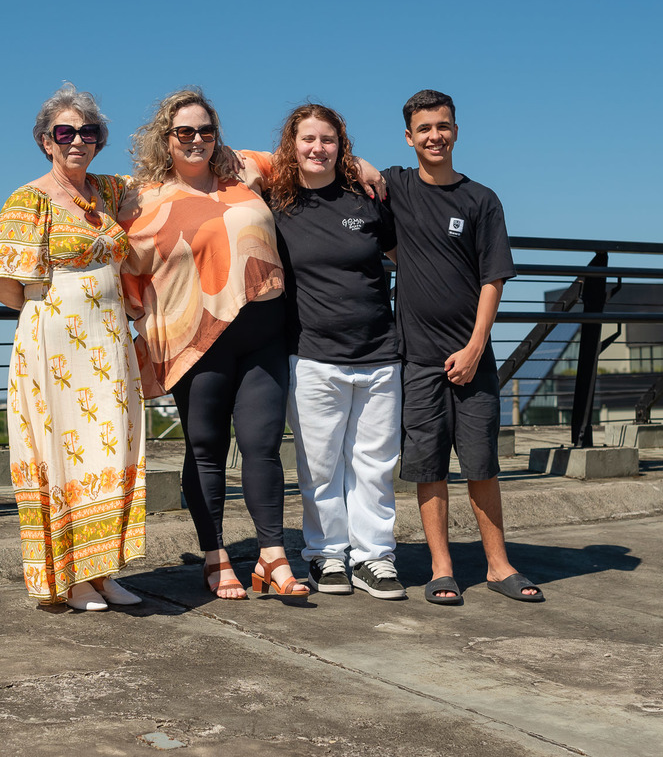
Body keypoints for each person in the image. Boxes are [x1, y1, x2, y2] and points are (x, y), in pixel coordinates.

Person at [120, 88, 308, 599]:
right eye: (185, 132)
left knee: (262, 445)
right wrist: (144, 316)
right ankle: (215, 554)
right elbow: (123, 269)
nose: (197, 139)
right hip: (197, 340)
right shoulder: (142, 199)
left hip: (264, 333)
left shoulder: (243, 173)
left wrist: (366, 168)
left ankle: (272, 555)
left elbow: (305, 151)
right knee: (206, 449)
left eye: (206, 130)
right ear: (167, 138)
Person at [0, 83, 146, 612]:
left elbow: (171, 182)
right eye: (65, 132)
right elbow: (1, 282)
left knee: (112, 447)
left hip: (110, 338)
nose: (78, 140)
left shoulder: (111, 191)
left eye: (89, 132)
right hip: (56, 343)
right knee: (65, 455)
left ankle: (103, 571)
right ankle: (70, 577)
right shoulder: (29, 198)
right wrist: (48, 311)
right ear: (46, 141)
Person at [386, 89, 544, 604]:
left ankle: (499, 566)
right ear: (409, 137)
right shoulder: (395, 186)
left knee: (481, 464)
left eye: (443, 126)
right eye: (425, 128)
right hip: (417, 358)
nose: (435, 136)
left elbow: (493, 278)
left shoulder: (481, 200)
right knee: (427, 467)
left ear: (456, 130)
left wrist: (477, 345)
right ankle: (441, 568)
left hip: (473, 357)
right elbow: (347, 168)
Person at [264, 104, 405, 600]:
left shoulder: (366, 199)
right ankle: (326, 554)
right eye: (308, 139)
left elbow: (403, 256)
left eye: (328, 139)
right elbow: (233, 162)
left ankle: (375, 558)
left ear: (341, 145)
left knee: (375, 465)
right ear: (292, 145)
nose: (317, 148)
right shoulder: (275, 202)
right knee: (320, 466)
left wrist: (367, 169)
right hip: (312, 354)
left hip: (380, 352)